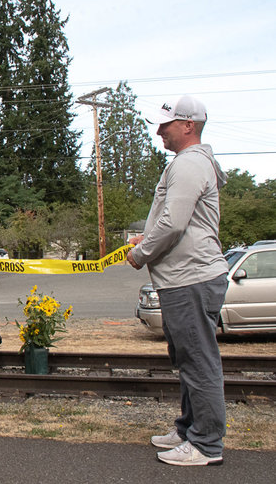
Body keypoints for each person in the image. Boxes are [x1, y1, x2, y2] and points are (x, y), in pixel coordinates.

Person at [126, 96, 229, 467]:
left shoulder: (188, 164)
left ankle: (206, 445)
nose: (159, 131)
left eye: (166, 125)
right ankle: (189, 429)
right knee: (188, 360)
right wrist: (145, 237)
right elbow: (172, 220)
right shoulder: (190, 164)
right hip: (185, 278)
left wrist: (141, 254)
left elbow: (174, 223)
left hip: (191, 279)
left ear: (189, 125)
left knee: (199, 363)